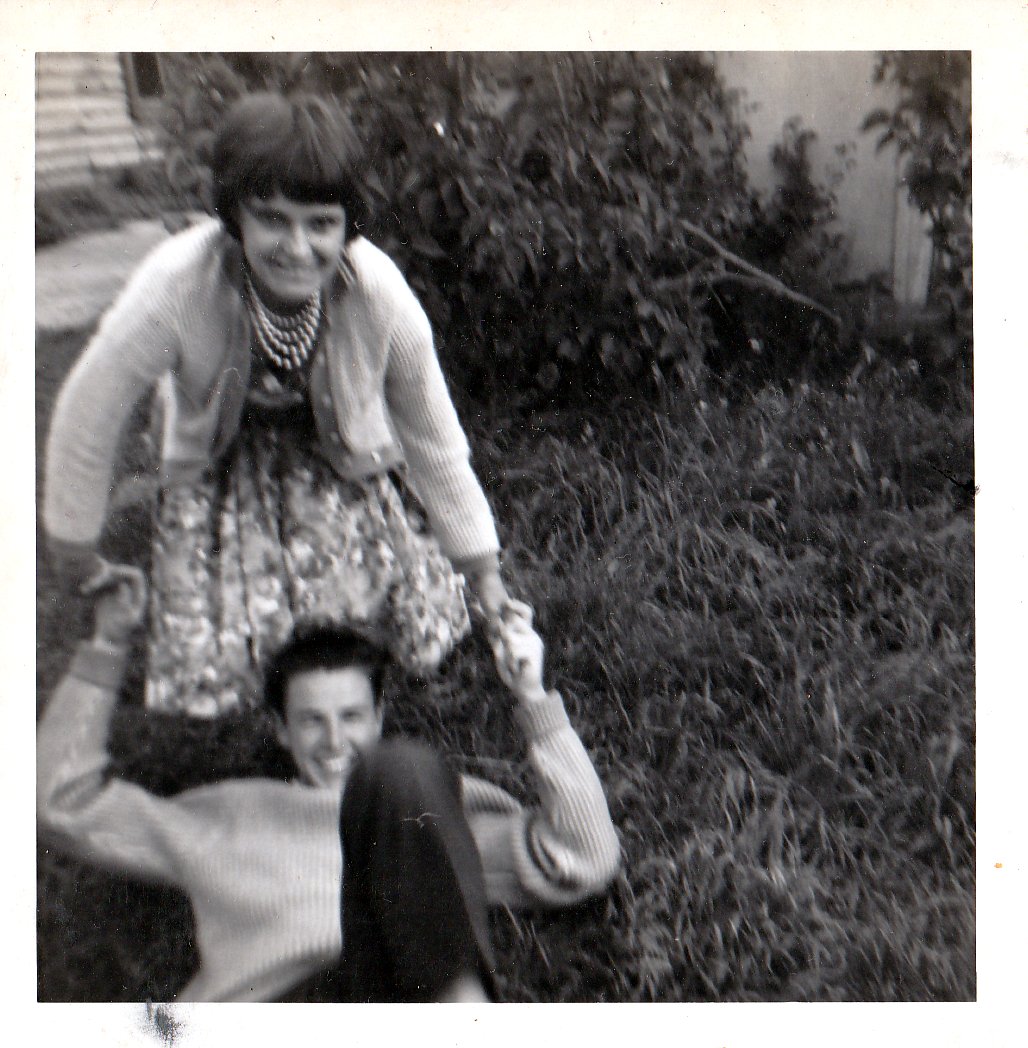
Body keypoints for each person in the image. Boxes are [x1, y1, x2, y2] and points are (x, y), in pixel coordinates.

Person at [43, 89, 510, 716]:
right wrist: (76, 551)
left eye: (320, 223)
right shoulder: (177, 285)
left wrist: (483, 572)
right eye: (272, 219)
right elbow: (89, 410)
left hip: (337, 460)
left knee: (367, 623)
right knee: (220, 665)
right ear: (235, 214)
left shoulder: (376, 291)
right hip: (218, 466)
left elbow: (433, 437)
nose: (296, 247)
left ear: (347, 224)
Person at [36, 568, 621, 1003]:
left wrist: (532, 696)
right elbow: (59, 805)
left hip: (384, 999)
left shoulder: (421, 813)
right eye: (312, 721)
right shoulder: (222, 817)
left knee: (403, 771)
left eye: (352, 717)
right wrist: (107, 644)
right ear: (281, 730)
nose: (335, 741)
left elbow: (585, 858)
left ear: (379, 717)